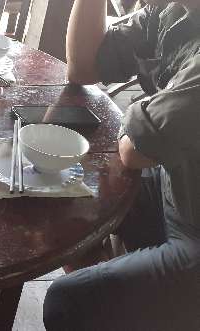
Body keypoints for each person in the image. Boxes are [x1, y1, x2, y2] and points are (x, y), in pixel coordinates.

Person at [43, 0, 200, 330]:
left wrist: (144, 115)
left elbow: (134, 151)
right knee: (66, 197)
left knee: (69, 302)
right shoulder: (172, 11)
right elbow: (84, 67)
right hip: (177, 182)